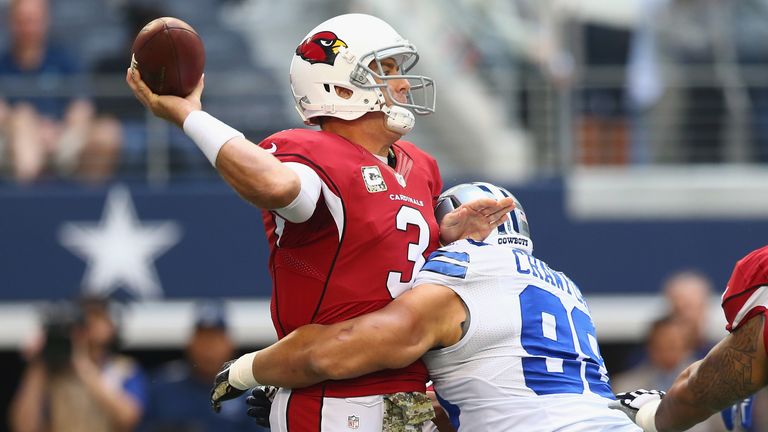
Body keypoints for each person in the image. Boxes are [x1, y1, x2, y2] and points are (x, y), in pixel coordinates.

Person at [127, 12, 514, 431]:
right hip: (336, 399)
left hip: (412, 400)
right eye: (385, 70)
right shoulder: (310, 152)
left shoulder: (421, 166)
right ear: (341, 86)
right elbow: (276, 186)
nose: (402, 83)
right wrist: (191, 116)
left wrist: (443, 237)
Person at [211, 182, 642, 431]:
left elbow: (338, 351)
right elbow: (490, 395)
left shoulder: (465, 269)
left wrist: (249, 369)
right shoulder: (562, 285)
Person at [612, 245, 768, 432]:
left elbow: (696, 395)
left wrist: (649, 416)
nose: (687, 316)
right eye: (681, 307)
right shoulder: (636, 370)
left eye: (692, 307)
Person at [0, 0, 121, 183]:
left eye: (33, 20)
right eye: (22, 20)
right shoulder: (2, 64)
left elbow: (81, 108)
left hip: (63, 136)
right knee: (23, 118)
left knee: (108, 132)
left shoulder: (66, 59)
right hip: (14, 142)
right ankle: (29, 196)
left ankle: (87, 198)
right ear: (11, 22)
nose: (28, 27)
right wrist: (33, 128)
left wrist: (57, 132)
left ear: (45, 20)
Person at [8, 297, 147, 432]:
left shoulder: (124, 369)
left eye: (97, 316)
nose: (89, 324)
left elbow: (128, 418)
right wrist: (38, 364)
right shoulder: (54, 372)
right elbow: (23, 427)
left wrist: (83, 366)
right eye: (84, 317)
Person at [141, 302, 267, 432]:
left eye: (215, 340)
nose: (208, 349)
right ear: (190, 344)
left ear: (229, 345)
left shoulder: (247, 394)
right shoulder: (163, 387)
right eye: (203, 339)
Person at [612, 316, 723, 431]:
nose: (666, 351)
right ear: (650, 347)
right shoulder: (624, 388)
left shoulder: (709, 384)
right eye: (660, 345)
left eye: (672, 345)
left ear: (686, 347)